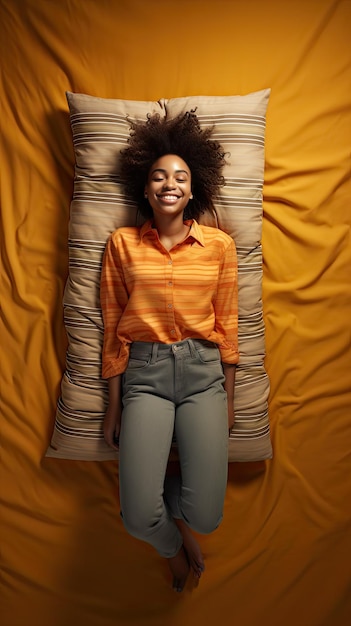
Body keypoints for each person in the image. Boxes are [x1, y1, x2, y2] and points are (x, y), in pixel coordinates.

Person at [100, 111, 239, 593]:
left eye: (180, 176)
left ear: (192, 190)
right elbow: (114, 326)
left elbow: (228, 326)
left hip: (204, 376)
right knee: (138, 518)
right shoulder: (121, 245)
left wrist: (230, 399)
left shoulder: (219, 246)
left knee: (209, 515)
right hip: (145, 376)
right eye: (159, 175)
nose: (169, 183)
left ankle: (173, 505)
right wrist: (115, 404)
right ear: (145, 189)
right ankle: (173, 548)